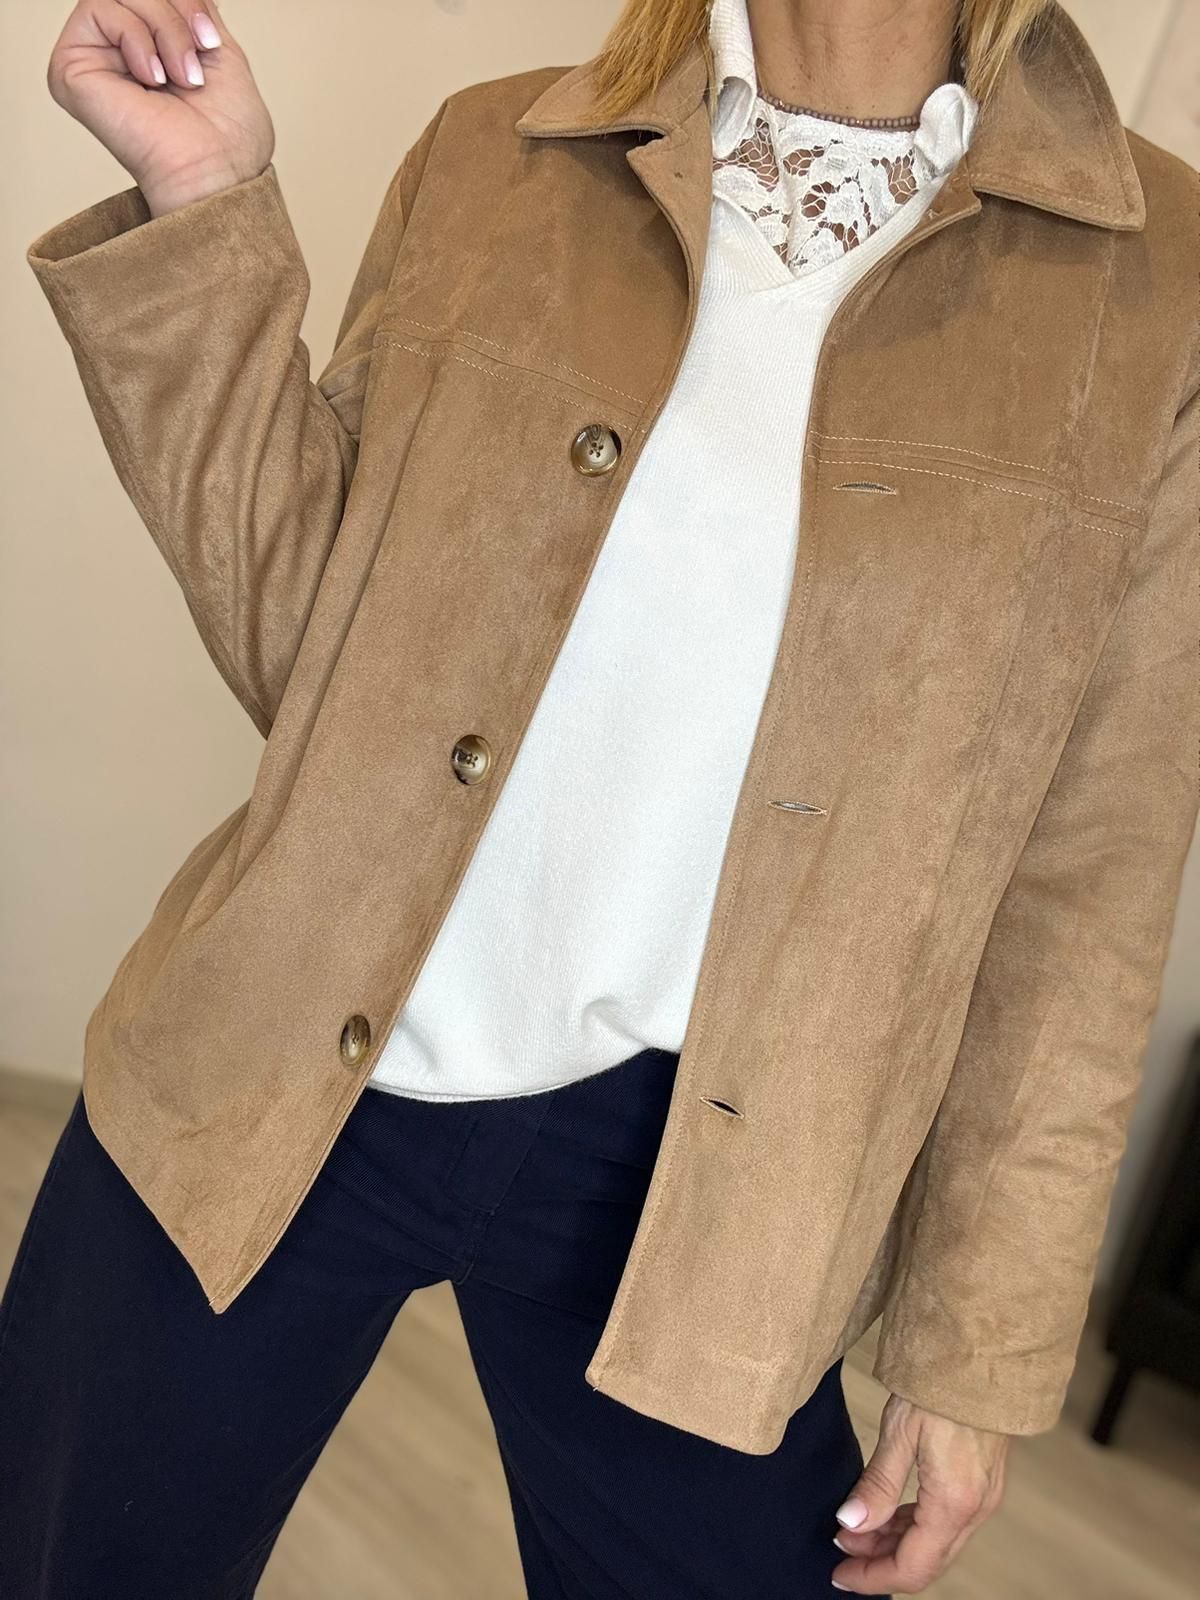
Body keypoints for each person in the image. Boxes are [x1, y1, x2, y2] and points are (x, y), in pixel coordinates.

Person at [2, 0, 1196, 1595]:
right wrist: (203, 204)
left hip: (712, 1190)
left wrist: (975, 1344)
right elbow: (320, 661)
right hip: (271, 1063)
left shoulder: (1155, 280)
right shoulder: (501, 151)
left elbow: (1090, 877)